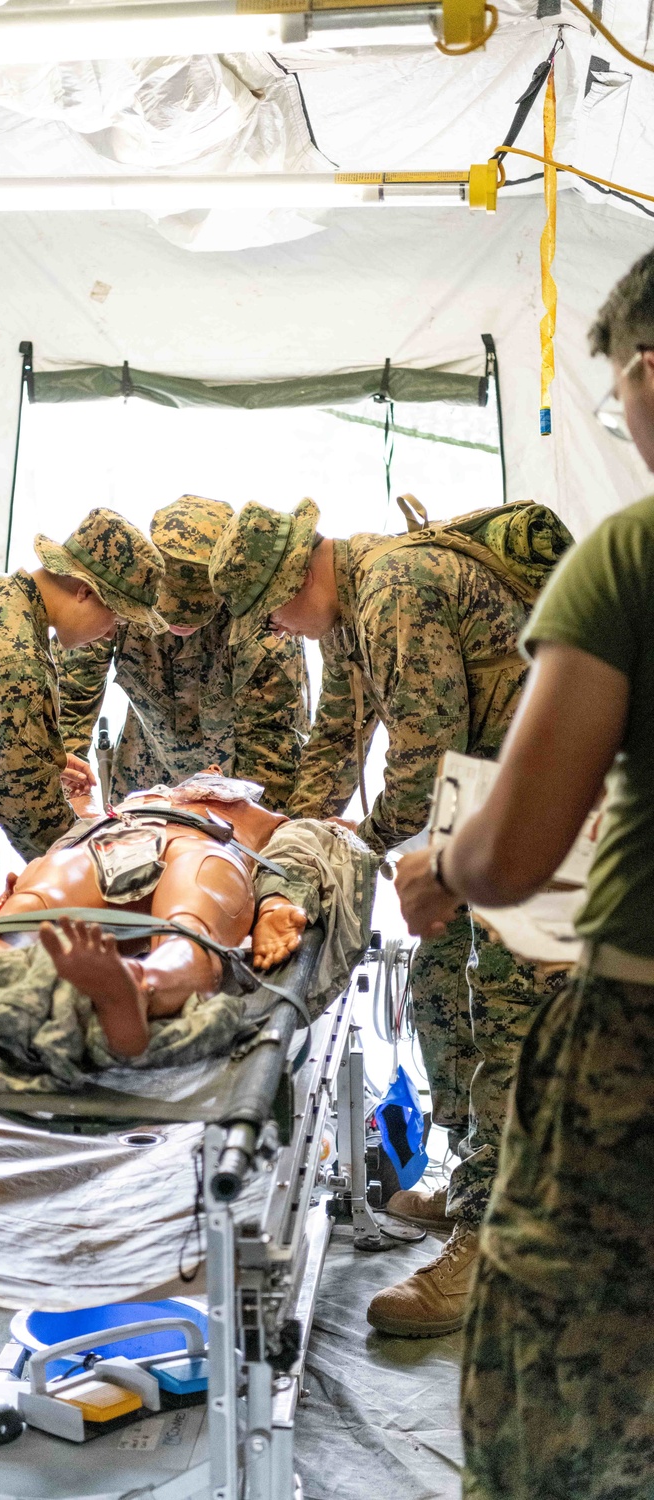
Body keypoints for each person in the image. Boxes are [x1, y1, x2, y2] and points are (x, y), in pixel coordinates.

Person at [396, 249, 654, 1499]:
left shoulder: (630, 559)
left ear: (648, 378)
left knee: (550, 1373)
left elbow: (515, 852)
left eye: (614, 402)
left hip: (637, 1038)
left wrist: (435, 865)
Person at [210, 496, 571, 1336]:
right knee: (445, 979)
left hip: (547, 809)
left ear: (299, 573)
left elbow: (427, 744)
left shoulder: (396, 585)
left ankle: (496, 1240)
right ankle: (473, 1168)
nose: (280, 627)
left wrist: (366, 840)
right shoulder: (350, 610)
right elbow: (337, 736)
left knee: (511, 1012)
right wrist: (291, 846)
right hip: (488, 802)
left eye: (272, 607)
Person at [0, 770, 309, 1057]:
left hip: (194, 843)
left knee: (188, 928)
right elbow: (87, 817)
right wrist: (84, 801)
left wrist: (275, 903)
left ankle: (137, 983)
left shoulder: (267, 819)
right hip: (112, 839)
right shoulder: (140, 799)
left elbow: (307, 844)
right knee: (31, 909)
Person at [0, 509, 165, 944]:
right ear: (85, 592)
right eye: (116, 618)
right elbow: (29, 816)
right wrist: (98, 870)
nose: (110, 633)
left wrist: (43, 756)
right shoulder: (21, 662)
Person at [56, 496, 309, 810]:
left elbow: (272, 756)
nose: (178, 622)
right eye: (169, 606)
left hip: (238, 781)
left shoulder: (263, 627)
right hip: (145, 770)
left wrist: (233, 832)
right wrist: (74, 797)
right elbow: (68, 702)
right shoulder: (122, 591)